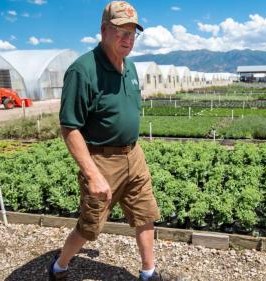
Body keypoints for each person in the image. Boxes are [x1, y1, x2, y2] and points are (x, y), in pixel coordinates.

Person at [51, 2, 167, 280]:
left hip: (133, 155)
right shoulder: (83, 70)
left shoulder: (132, 68)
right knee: (90, 228)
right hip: (102, 160)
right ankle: (59, 266)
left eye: (132, 33)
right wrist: (92, 174)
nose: (127, 39)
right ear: (104, 30)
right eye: (120, 31)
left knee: (145, 214)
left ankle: (149, 272)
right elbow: (70, 128)